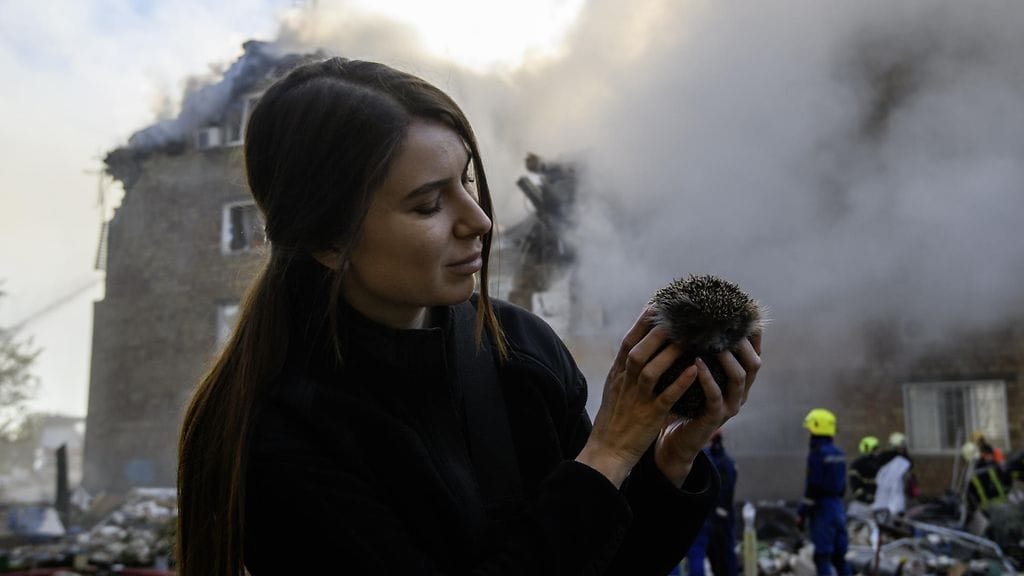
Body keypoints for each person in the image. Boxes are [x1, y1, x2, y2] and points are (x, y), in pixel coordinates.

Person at [174, 58, 763, 575]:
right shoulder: (281, 438)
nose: (479, 220)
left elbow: (614, 561)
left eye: (467, 181)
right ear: (329, 240)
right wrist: (606, 453)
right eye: (428, 203)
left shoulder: (521, 348)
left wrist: (671, 455)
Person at [797, 408, 851, 576]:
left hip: (822, 510)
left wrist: (802, 513)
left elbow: (813, 486)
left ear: (816, 429)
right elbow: (843, 487)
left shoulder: (816, 454)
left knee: (822, 556)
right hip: (838, 507)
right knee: (840, 557)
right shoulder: (839, 453)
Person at [682, 430, 739, 576]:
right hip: (719, 519)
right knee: (723, 558)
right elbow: (727, 493)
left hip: (701, 516)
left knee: (697, 555)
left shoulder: (699, 460)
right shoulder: (727, 462)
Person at [872, 432, 916, 518]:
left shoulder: (883, 457)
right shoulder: (901, 459)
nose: (904, 448)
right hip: (893, 493)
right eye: (902, 445)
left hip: (887, 493)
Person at [847, 435, 881, 518]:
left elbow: (855, 486)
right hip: (872, 504)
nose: (878, 451)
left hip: (862, 504)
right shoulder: (879, 464)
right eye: (876, 448)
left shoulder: (856, 464)